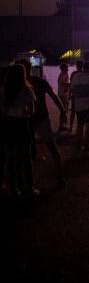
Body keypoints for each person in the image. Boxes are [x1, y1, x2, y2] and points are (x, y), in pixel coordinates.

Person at [18, 60, 66, 185]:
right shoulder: (39, 81)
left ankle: (27, 179)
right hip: (41, 117)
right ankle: (59, 175)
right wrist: (62, 110)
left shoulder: (17, 84)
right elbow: (53, 95)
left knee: (26, 150)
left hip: (26, 120)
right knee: (51, 146)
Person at [2, 64, 36, 196]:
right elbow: (31, 112)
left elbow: (3, 110)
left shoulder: (4, 90)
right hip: (22, 123)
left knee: (11, 157)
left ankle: (13, 186)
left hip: (9, 124)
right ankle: (28, 185)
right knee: (26, 157)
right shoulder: (27, 91)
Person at [71, 61, 89, 154]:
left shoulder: (76, 77)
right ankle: (86, 145)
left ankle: (78, 144)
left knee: (80, 125)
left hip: (79, 104)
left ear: (83, 68)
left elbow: (72, 90)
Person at [57, 63, 71, 131]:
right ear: (63, 68)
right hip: (62, 95)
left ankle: (63, 125)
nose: (67, 69)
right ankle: (61, 126)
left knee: (65, 110)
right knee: (63, 111)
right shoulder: (61, 75)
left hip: (65, 94)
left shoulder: (66, 74)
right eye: (66, 68)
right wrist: (69, 84)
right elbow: (62, 83)